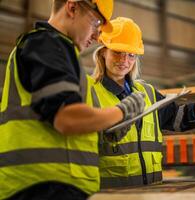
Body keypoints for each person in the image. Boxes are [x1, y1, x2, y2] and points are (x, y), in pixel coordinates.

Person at [0, 1, 146, 200]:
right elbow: (67, 118)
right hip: (43, 186)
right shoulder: (48, 45)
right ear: (72, 7)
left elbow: (53, 123)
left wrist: (103, 129)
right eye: (96, 23)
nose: (97, 37)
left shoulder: (55, 50)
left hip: (46, 184)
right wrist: (122, 112)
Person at [91, 17, 195, 189]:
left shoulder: (147, 93)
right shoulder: (90, 92)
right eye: (117, 52)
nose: (124, 60)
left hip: (150, 191)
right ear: (103, 52)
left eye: (131, 55)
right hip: (110, 194)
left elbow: (182, 117)